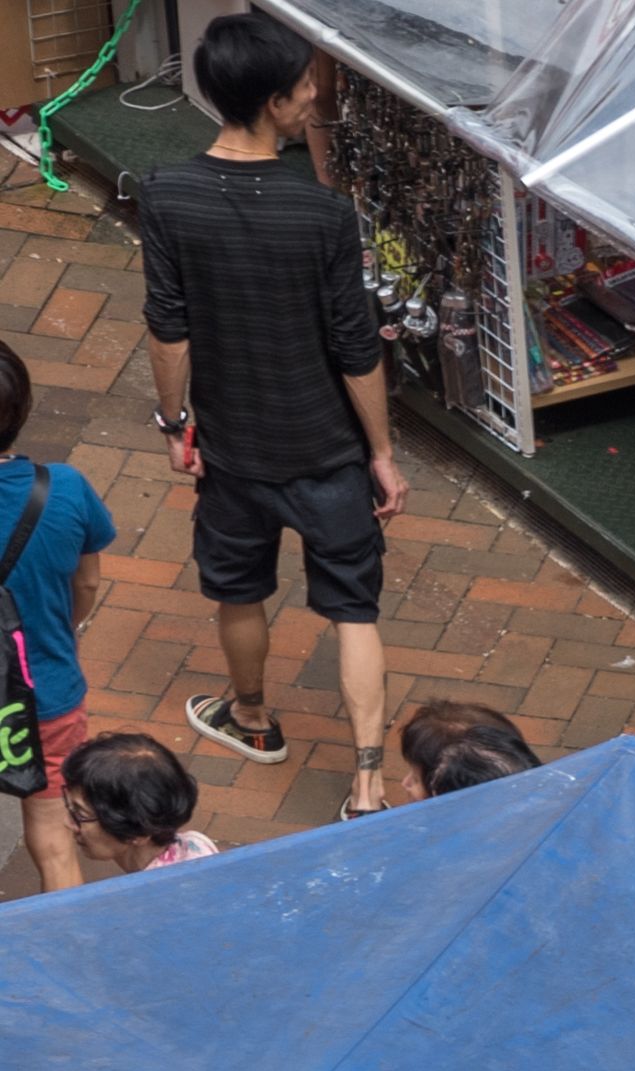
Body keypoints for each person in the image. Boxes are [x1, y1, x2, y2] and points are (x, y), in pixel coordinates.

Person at [141, 13, 402, 811]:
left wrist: (177, 424)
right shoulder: (323, 215)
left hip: (234, 453)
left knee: (240, 591)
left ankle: (252, 719)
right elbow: (358, 350)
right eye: (302, 87)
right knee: (353, 609)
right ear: (275, 101)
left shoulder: (168, 194)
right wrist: (381, 452)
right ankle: (367, 779)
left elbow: (168, 327)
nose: (311, 95)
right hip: (325, 451)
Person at [0, 337, 123, 895]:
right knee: (52, 839)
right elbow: (88, 580)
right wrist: (60, 632)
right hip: (45, 691)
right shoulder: (65, 490)